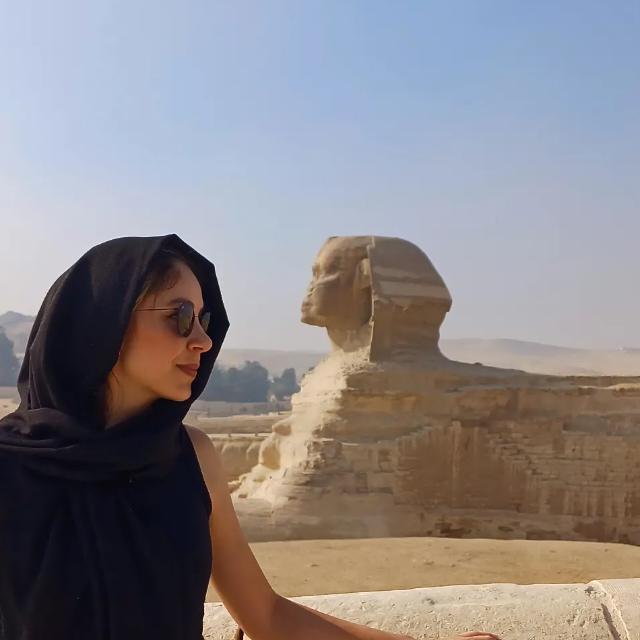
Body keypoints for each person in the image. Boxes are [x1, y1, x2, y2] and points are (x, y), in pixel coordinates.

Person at [0, 233, 502, 640]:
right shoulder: (9, 466)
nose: (203, 341)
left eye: (204, 320)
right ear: (102, 321)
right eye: (180, 317)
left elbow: (266, 614)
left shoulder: (191, 457)